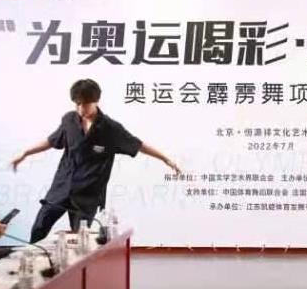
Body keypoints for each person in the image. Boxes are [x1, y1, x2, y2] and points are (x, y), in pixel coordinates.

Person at [11, 79, 182, 243]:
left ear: (96, 101)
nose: (80, 108)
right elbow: (51, 140)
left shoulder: (110, 128)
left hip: (87, 193)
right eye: (77, 104)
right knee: (39, 226)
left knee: (80, 237)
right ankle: (30, 259)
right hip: (62, 187)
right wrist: (25, 153)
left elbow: (138, 145)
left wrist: (166, 159)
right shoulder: (69, 120)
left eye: (85, 104)